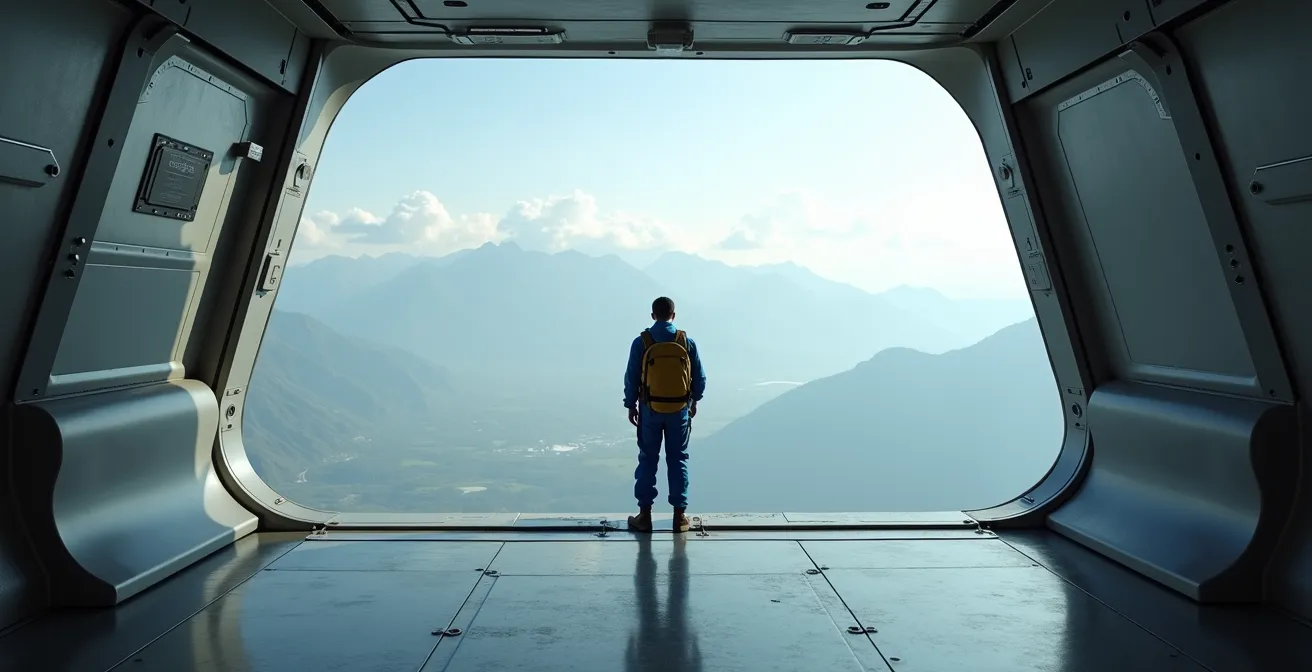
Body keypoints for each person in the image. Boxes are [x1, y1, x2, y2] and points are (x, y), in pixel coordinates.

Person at [624, 296, 706, 533]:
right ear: (674, 315)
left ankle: (645, 515)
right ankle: (679, 517)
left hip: (650, 409)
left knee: (648, 458)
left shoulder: (642, 342)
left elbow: (631, 378)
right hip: (679, 410)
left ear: (652, 315)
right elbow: (699, 378)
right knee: (678, 458)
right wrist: (693, 401)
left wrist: (631, 404)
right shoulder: (686, 342)